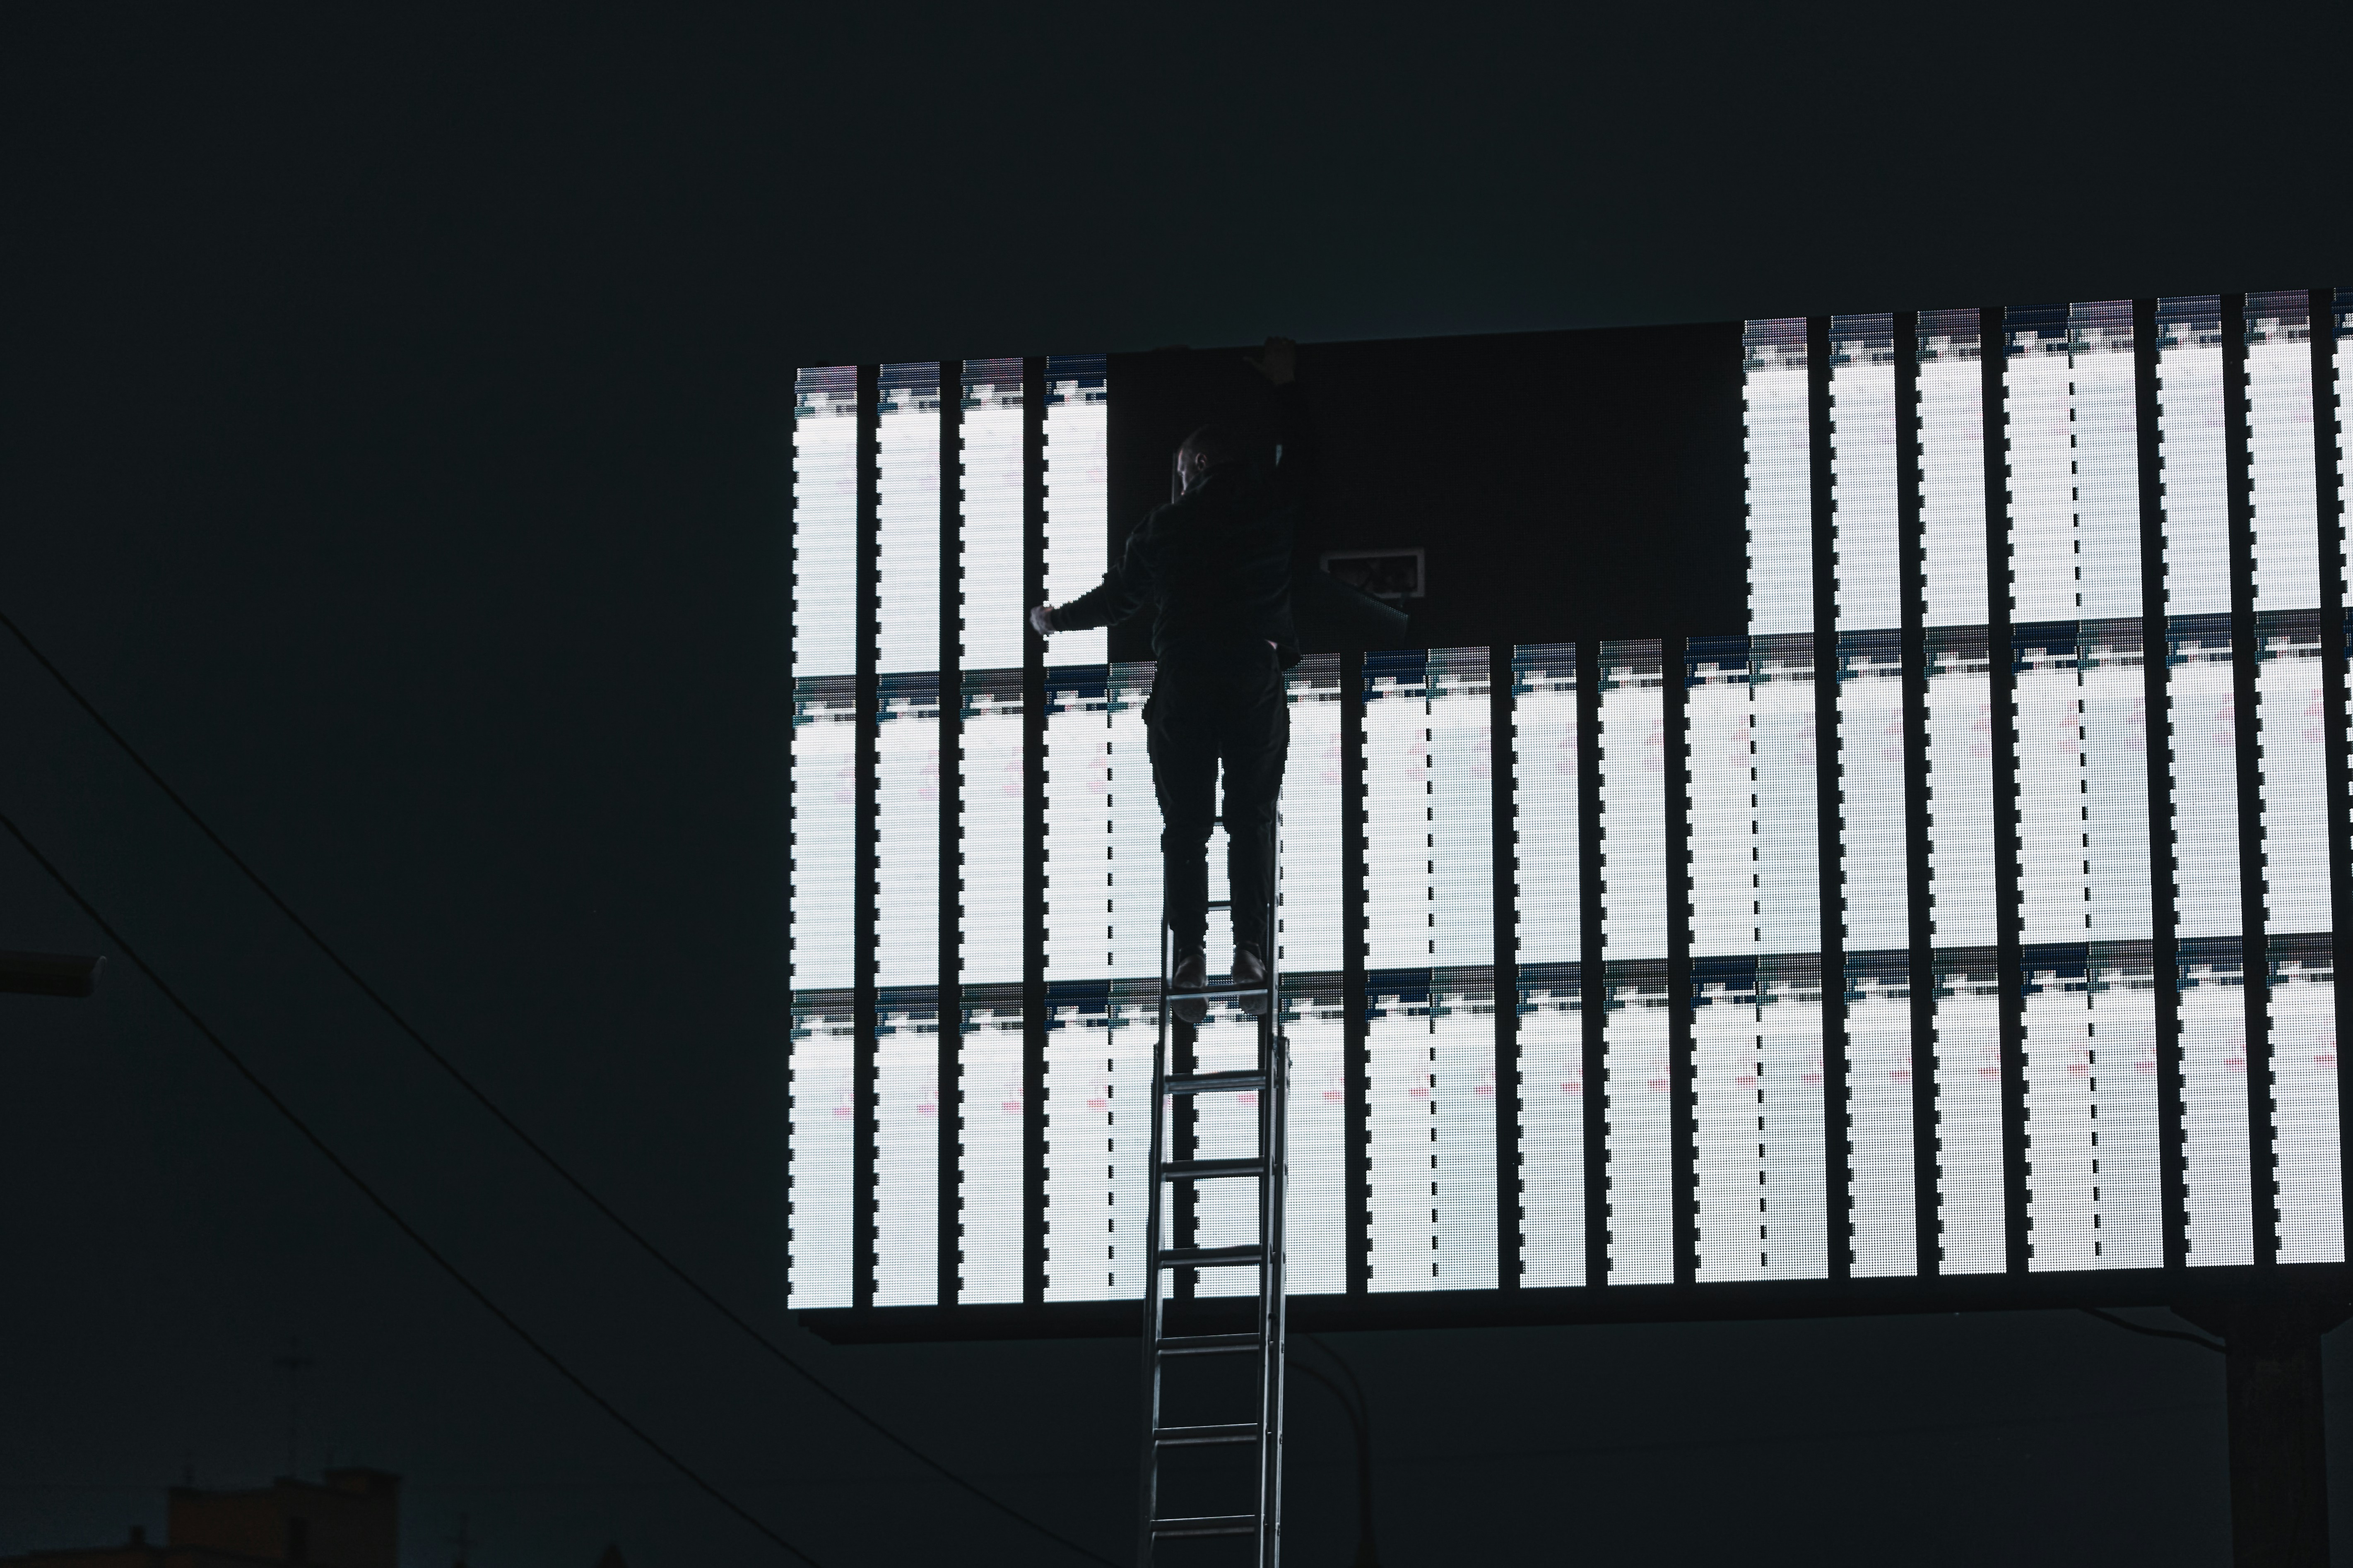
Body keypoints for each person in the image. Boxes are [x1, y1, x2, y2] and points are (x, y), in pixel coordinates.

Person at [1031, 337, 1302, 1020]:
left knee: (1187, 826)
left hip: (1185, 680)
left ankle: (1189, 958)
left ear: (1196, 465)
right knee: (1251, 820)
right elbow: (1302, 453)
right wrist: (1285, 386)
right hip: (1253, 674)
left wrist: (1054, 620)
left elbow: (1118, 600)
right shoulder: (1272, 505)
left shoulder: (1164, 527)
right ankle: (1251, 952)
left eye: (1182, 469)